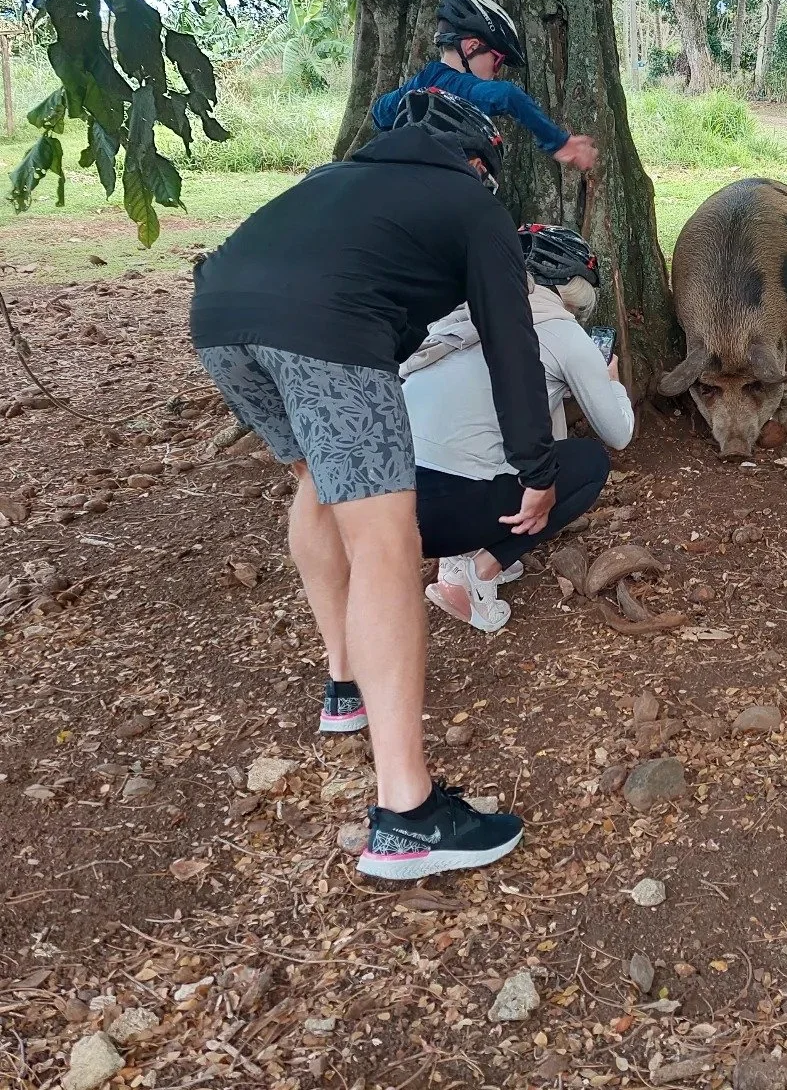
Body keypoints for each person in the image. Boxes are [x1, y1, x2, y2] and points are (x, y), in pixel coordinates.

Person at [191, 88, 551, 879]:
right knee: (388, 542)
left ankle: (344, 684)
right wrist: (535, 462)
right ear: (480, 162)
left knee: (318, 484)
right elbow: (511, 341)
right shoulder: (472, 203)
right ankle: (407, 816)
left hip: (217, 317)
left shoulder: (335, 181)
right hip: (327, 326)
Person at [401, 225, 634, 631]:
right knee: (589, 464)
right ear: (569, 287)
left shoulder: (459, 313)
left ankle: (462, 554)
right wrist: (611, 383)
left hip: (382, 510)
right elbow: (619, 433)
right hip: (445, 515)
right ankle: (476, 571)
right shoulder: (562, 331)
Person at [371, 0, 597, 171]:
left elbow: (379, 113)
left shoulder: (420, 83)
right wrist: (559, 142)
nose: (495, 72)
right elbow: (508, 95)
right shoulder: (455, 85)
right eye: (497, 61)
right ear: (471, 47)